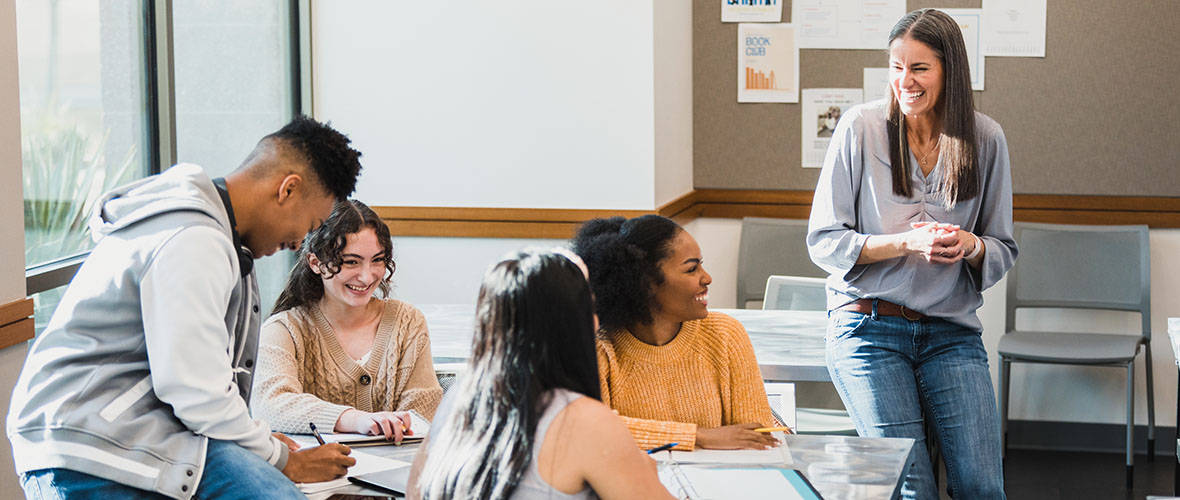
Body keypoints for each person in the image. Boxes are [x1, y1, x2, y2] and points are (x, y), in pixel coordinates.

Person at [8, 116, 365, 499]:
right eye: (309, 224)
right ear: (288, 189)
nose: (299, 242)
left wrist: (257, 443)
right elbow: (195, 391)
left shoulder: (211, 232)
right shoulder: (194, 239)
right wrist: (280, 457)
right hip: (89, 441)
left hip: (135, 432)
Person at [806, 9, 1017, 500]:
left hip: (951, 332)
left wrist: (971, 245)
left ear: (950, 71)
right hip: (867, 329)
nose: (905, 81)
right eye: (896, 66)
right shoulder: (860, 128)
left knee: (983, 487)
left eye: (919, 68)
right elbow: (824, 241)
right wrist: (906, 242)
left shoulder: (986, 139)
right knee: (912, 488)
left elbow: (1003, 247)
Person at [409, 249, 674, 500]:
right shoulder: (583, 420)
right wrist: (646, 473)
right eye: (590, 308)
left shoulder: (459, 396)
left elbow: (415, 492)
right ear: (576, 322)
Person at [570, 215, 779, 452]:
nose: (707, 277)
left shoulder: (726, 335)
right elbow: (589, 430)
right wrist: (699, 436)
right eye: (692, 269)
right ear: (645, 283)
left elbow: (756, 435)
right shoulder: (600, 347)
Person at [252, 199, 443, 443]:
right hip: (316, 477)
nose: (366, 276)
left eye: (377, 260)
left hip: (394, 474)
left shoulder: (407, 321)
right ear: (315, 263)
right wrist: (354, 419)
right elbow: (270, 404)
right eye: (351, 262)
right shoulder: (285, 329)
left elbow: (422, 416)